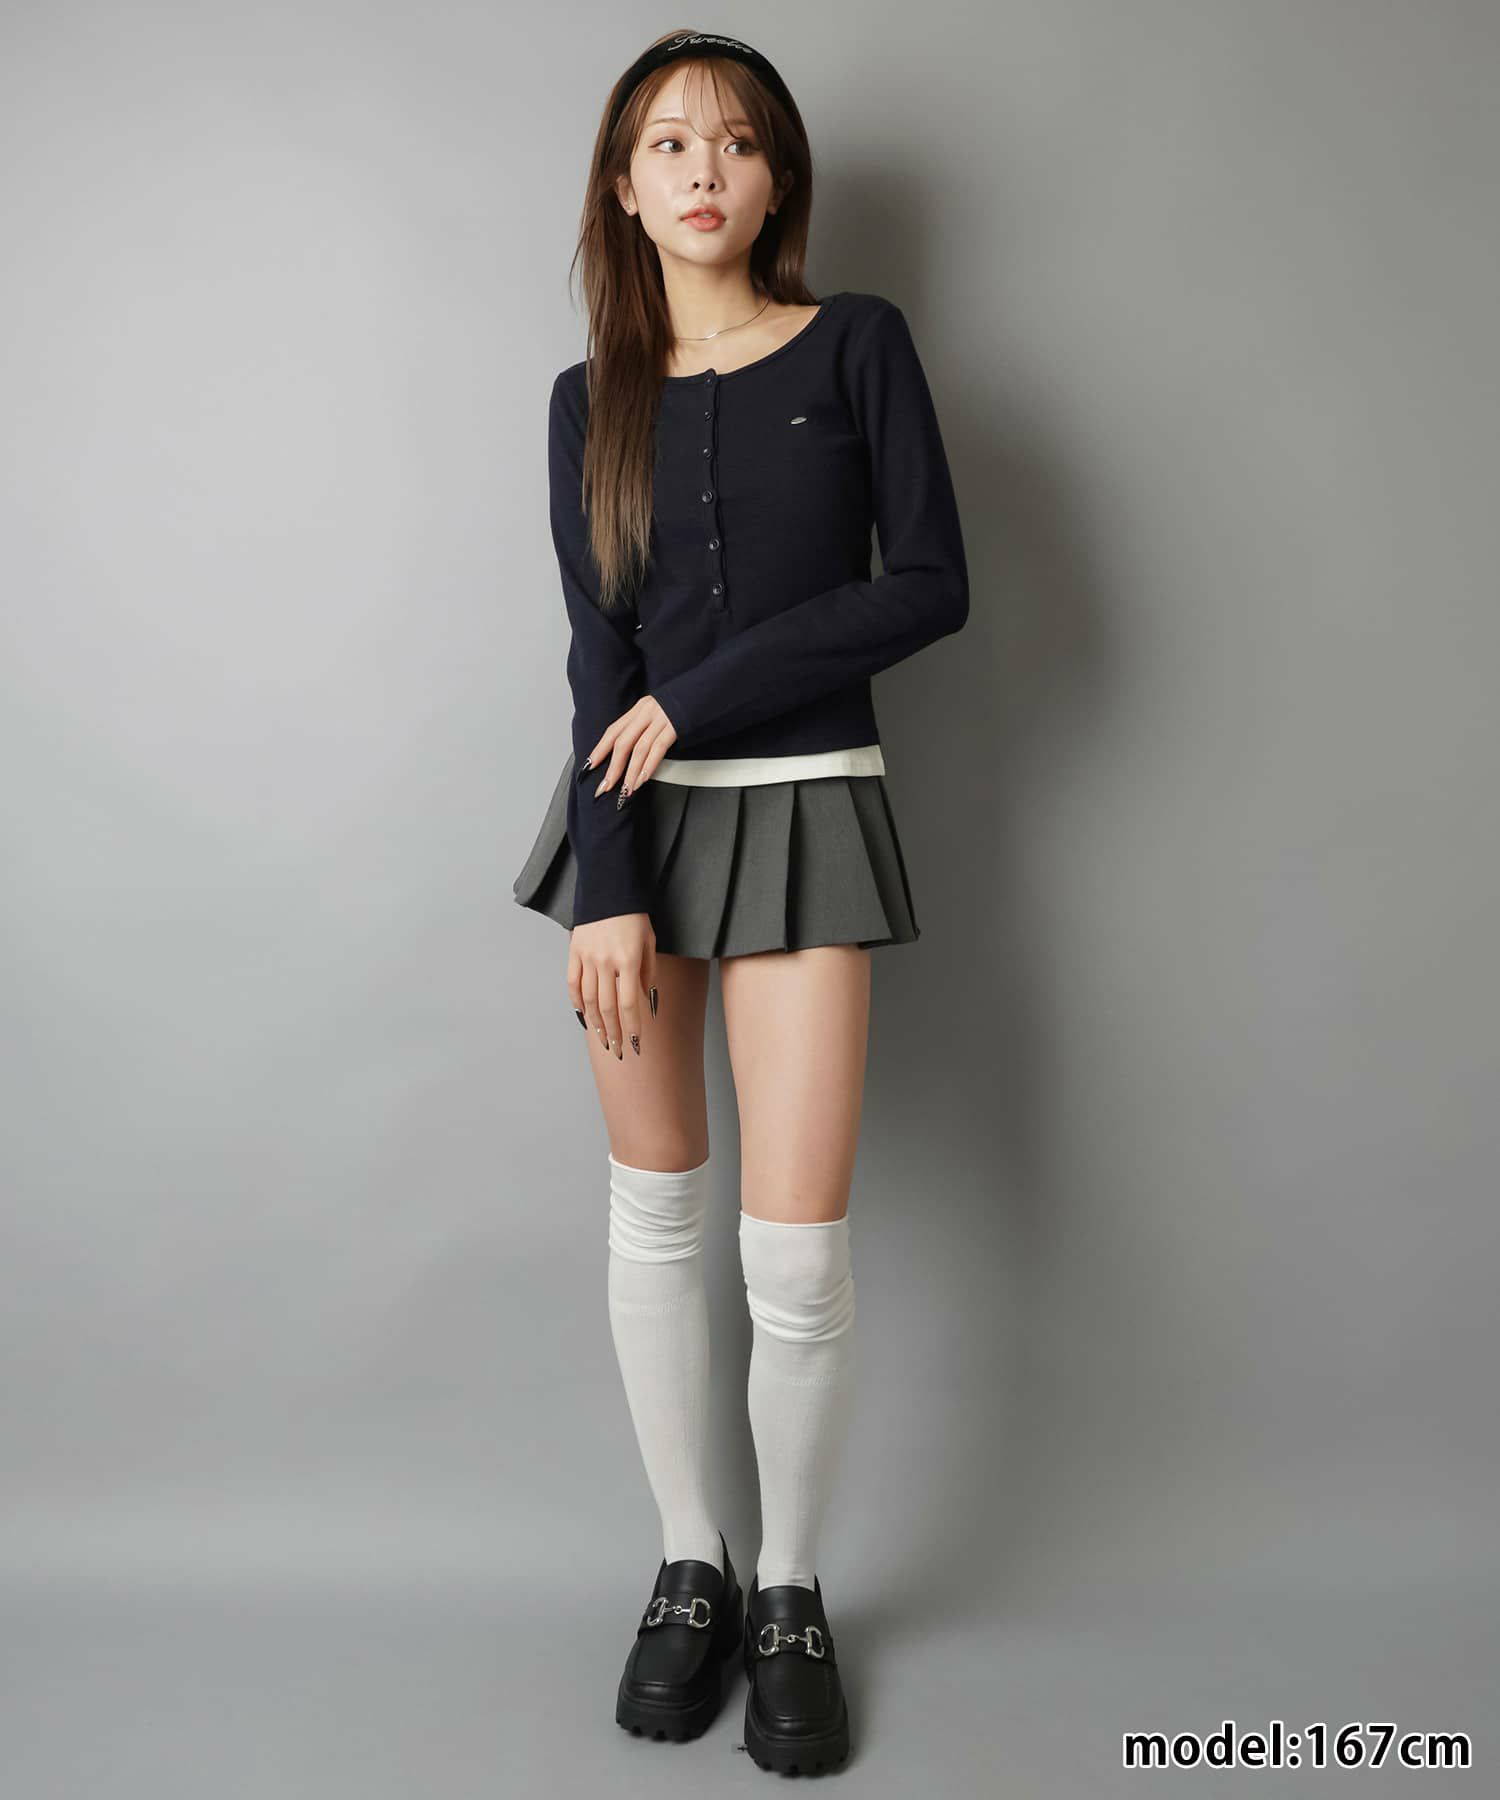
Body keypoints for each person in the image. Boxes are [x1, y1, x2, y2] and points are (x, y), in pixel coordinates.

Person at [511, 28, 969, 1775]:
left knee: (794, 1252)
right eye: (667, 143)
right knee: (655, 1217)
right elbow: (596, 663)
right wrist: (607, 891)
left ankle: (789, 1589)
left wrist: (701, 700)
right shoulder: (589, 399)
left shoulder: (858, 344)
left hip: (804, 806)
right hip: (631, 834)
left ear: (776, 180)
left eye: (736, 141)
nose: (702, 168)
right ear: (624, 190)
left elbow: (929, 584)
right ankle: (690, 1566)